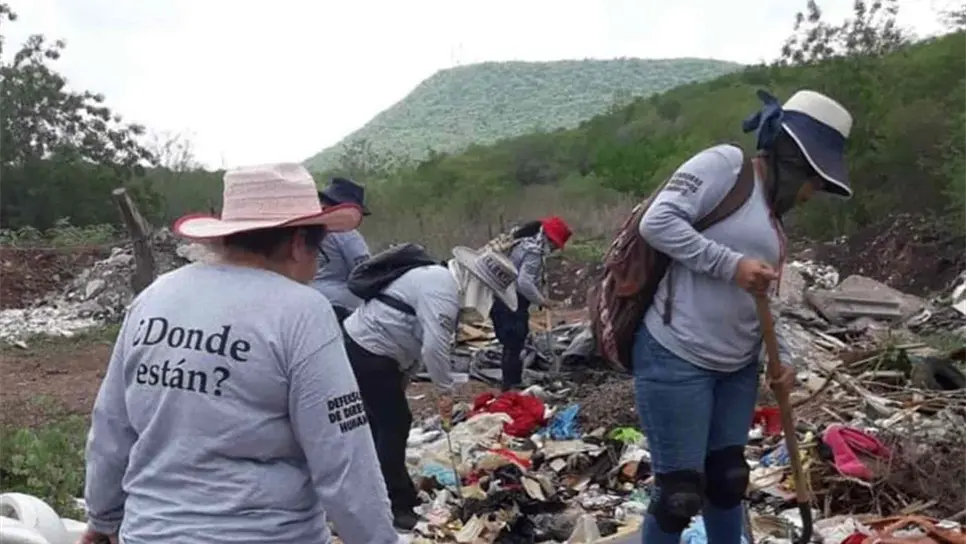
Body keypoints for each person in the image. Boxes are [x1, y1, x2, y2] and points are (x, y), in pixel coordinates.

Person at [80, 163, 401, 544]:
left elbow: (111, 427)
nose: (316, 270)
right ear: (299, 242)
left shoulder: (155, 297)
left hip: (150, 533)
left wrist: (101, 519)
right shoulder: (302, 311)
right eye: (320, 253)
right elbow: (343, 458)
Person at [633, 89, 853, 544]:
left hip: (738, 367)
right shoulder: (725, 166)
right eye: (813, 183)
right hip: (677, 355)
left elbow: (764, 299)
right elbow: (657, 223)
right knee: (678, 497)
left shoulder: (772, 221)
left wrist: (782, 356)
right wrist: (730, 265)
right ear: (792, 161)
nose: (810, 195)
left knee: (728, 480)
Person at [342, 245, 519, 530]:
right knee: (395, 424)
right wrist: (445, 392)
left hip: (375, 353)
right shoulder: (441, 287)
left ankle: (374, 493)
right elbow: (434, 347)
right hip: (368, 351)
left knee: (379, 426)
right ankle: (397, 505)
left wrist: (404, 378)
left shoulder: (438, 281)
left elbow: (415, 338)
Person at [487, 216, 572, 391]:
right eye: (555, 245)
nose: (555, 249)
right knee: (514, 343)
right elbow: (524, 282)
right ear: (549, 238)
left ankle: (511, 382)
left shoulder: (522, 242)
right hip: (512, 301)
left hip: (500, 297)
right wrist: (541, 301)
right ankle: (511, 385)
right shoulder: (533, 251)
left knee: (511, 344)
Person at [312, 177, 372, 322]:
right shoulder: (346, 232)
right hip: (341, 303)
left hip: (310, 295)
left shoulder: (307, 230)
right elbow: (365, 271)